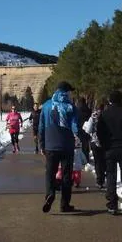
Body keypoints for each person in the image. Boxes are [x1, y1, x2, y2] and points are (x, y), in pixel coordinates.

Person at [39, 81, 79, 213]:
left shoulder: (46, 106)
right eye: (70, 91)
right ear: (66, 92)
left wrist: (42, 144)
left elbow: (41, 127)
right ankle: (64, 204)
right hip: (67, 146)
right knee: (67, 176)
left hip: (50, 145)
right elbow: (75, 127)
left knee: (50, 173)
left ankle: (50, 194)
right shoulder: (71, 107)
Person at [82, 102, 106, 190]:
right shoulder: (106, 114)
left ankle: (99, 181)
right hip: (105, 142)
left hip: (95, 142)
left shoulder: (93, 116)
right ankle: (104, 176)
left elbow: (88, 130)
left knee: (97, 161)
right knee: (104, 160)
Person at [76, 97, 92, 162]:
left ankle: (80, 159)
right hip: (87, 129)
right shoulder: (89, 110)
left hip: (79, 129)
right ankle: (86, 158)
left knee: (79, 145)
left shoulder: (77, 110)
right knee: (86, 145)